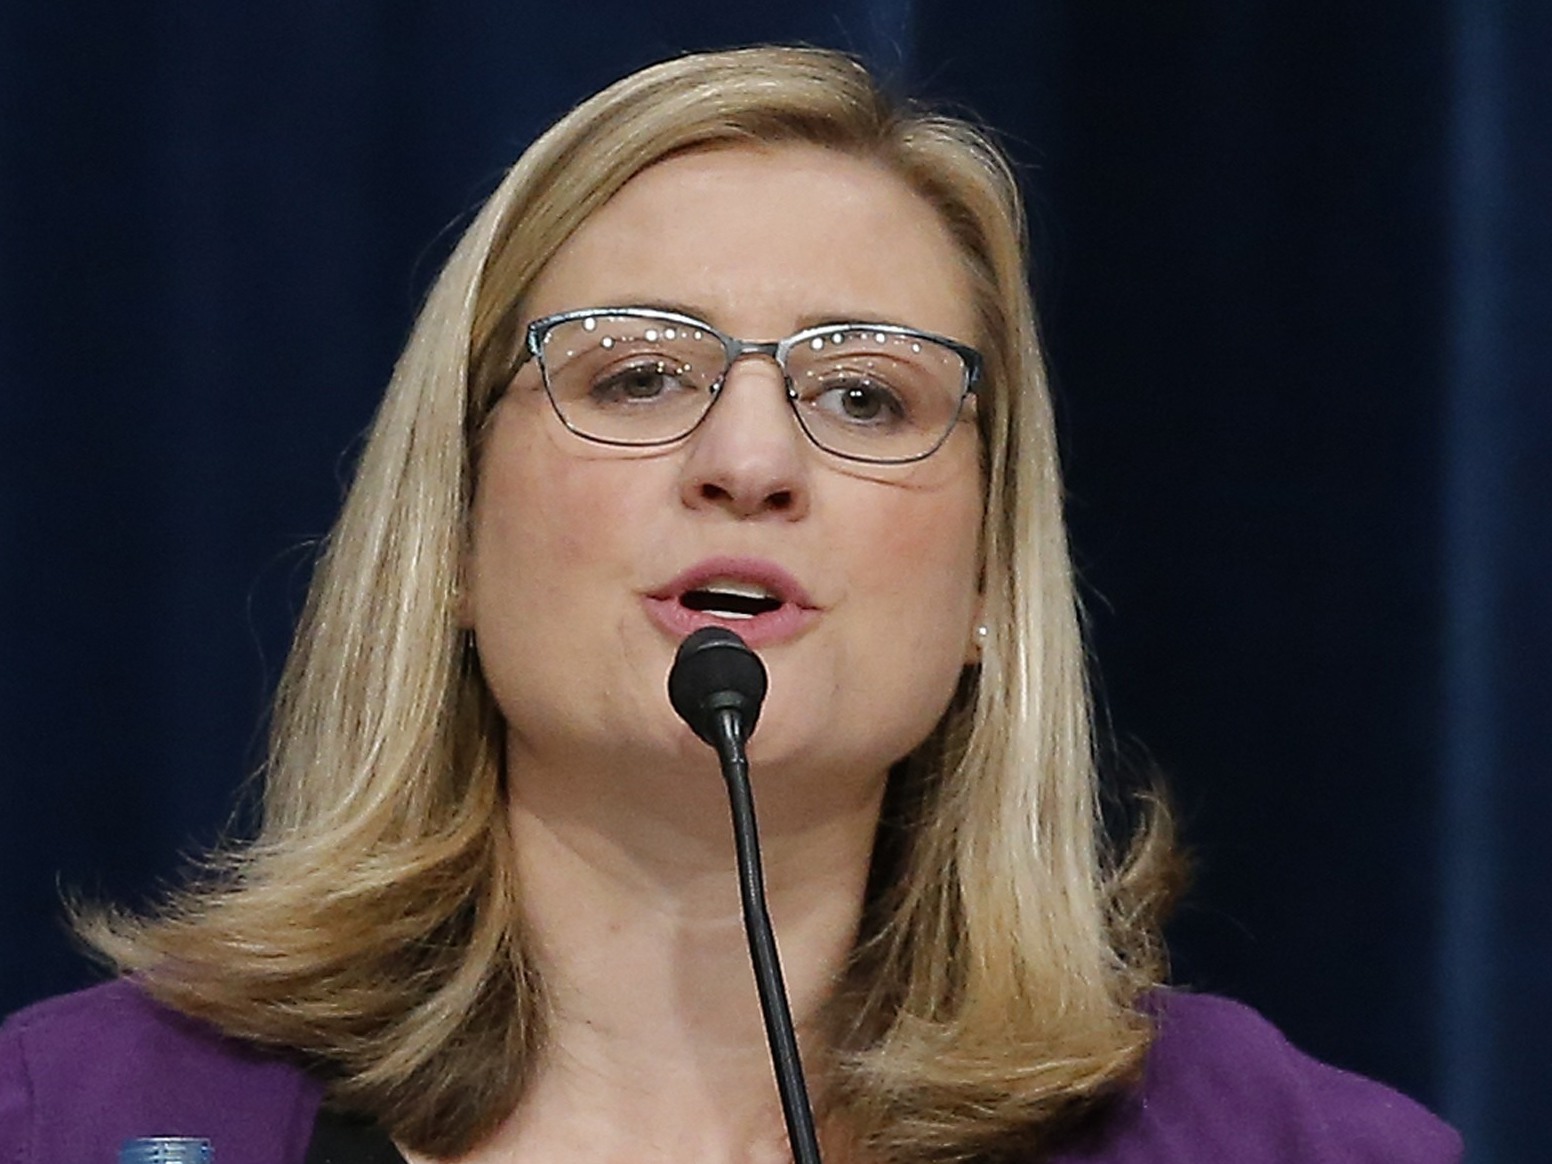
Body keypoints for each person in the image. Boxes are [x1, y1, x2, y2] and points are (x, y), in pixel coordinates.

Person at [0, 46, 1459, 1164]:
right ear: (444, 537)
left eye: (865, 396)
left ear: (988, 586)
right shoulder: (77, 1117)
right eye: (636, 375)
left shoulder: (1278, 1139)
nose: (750, 460)